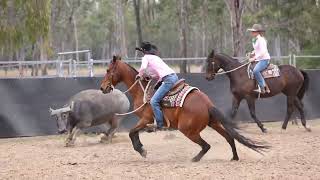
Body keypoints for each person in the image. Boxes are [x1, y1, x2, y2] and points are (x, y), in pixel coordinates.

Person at [136, 42, 178, 130]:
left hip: (168, 80)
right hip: (174, 77)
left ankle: (160, 124)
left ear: (143, 51)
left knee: (154, 101)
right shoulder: (156, 57)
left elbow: (143, 68)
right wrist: (150, 77)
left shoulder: (145, 58)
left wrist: (139, 75)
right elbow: (158, 74)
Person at [247, 24, 271, 94]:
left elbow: (263, 52)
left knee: (256, 70)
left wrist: (254, 58)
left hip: (264, 60)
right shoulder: (254, 39)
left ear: (258, 32)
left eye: (253, 31)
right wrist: (252, 53)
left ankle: (263, 87)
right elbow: (257, 50)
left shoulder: (261, 40)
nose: (252, 33)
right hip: (258, 59)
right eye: (252, 31)